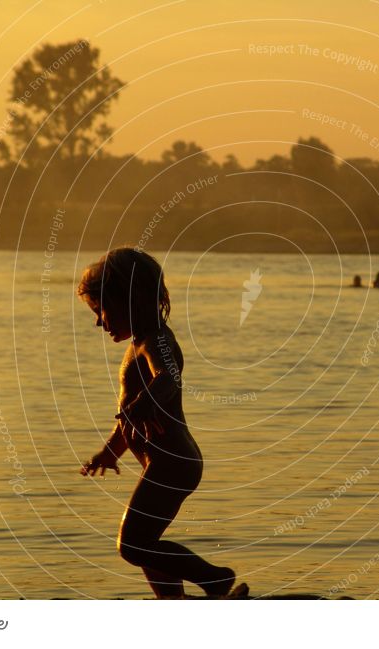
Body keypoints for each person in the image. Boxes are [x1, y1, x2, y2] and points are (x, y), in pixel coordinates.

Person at [77, 247, 242, 598]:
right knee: (146, 542)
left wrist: (144, 402)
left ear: (130, 299)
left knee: (132, 545)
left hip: (174, 463)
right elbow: (128, 420)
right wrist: (110, 452)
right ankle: (174, 602)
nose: (98, 322)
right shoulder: (137, 344)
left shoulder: (158, 341)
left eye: (100, 311)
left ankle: (214, 578)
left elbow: (169, 378)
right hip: (164, 463)